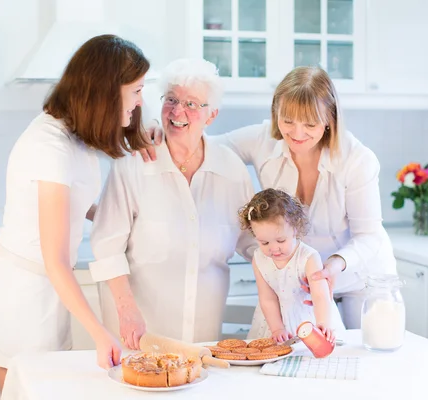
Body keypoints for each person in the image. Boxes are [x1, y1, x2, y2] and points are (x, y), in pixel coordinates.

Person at [143, 66, 397, 331]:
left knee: (362, 356)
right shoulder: (263, 140)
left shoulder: (357, 160)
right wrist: (157, 128)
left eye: (310, 124)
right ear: (276, 112)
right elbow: (206, 145)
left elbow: (369, 236)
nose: (297, 133)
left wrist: (334, 266)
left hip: (359, 276)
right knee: (301, 356)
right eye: (288, 120)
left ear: (329, 119)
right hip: (300, 280)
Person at [0, 35, 150, 392]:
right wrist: (100, 334)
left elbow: (74, 201)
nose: (140, 100)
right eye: (136, 91)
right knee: (24, 389)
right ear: (106, 91)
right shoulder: (50, 146)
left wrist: (118, 218)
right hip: (23, 291)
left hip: (49, 287)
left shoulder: (74, 134)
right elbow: (53, 259)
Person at [89, 58, 255, 349]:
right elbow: (106, 246)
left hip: (203, 337)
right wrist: (126, 312)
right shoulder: (134, 164)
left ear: (211, 115)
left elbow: (253, 240)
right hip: (139, 334)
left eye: (192, 104)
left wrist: (289, 268)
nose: (179, 111)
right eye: (172, 100)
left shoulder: (231, 170)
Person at [238, 189, 345, 343]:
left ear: (295, 228)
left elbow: (320, 295)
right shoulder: (259, 259)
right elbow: (267, 299)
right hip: (274, 321)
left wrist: (322, 323)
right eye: (264, 243)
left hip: (309, 319)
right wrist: (277, 328)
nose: (274, 248)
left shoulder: (308, 257)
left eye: (281, 240)